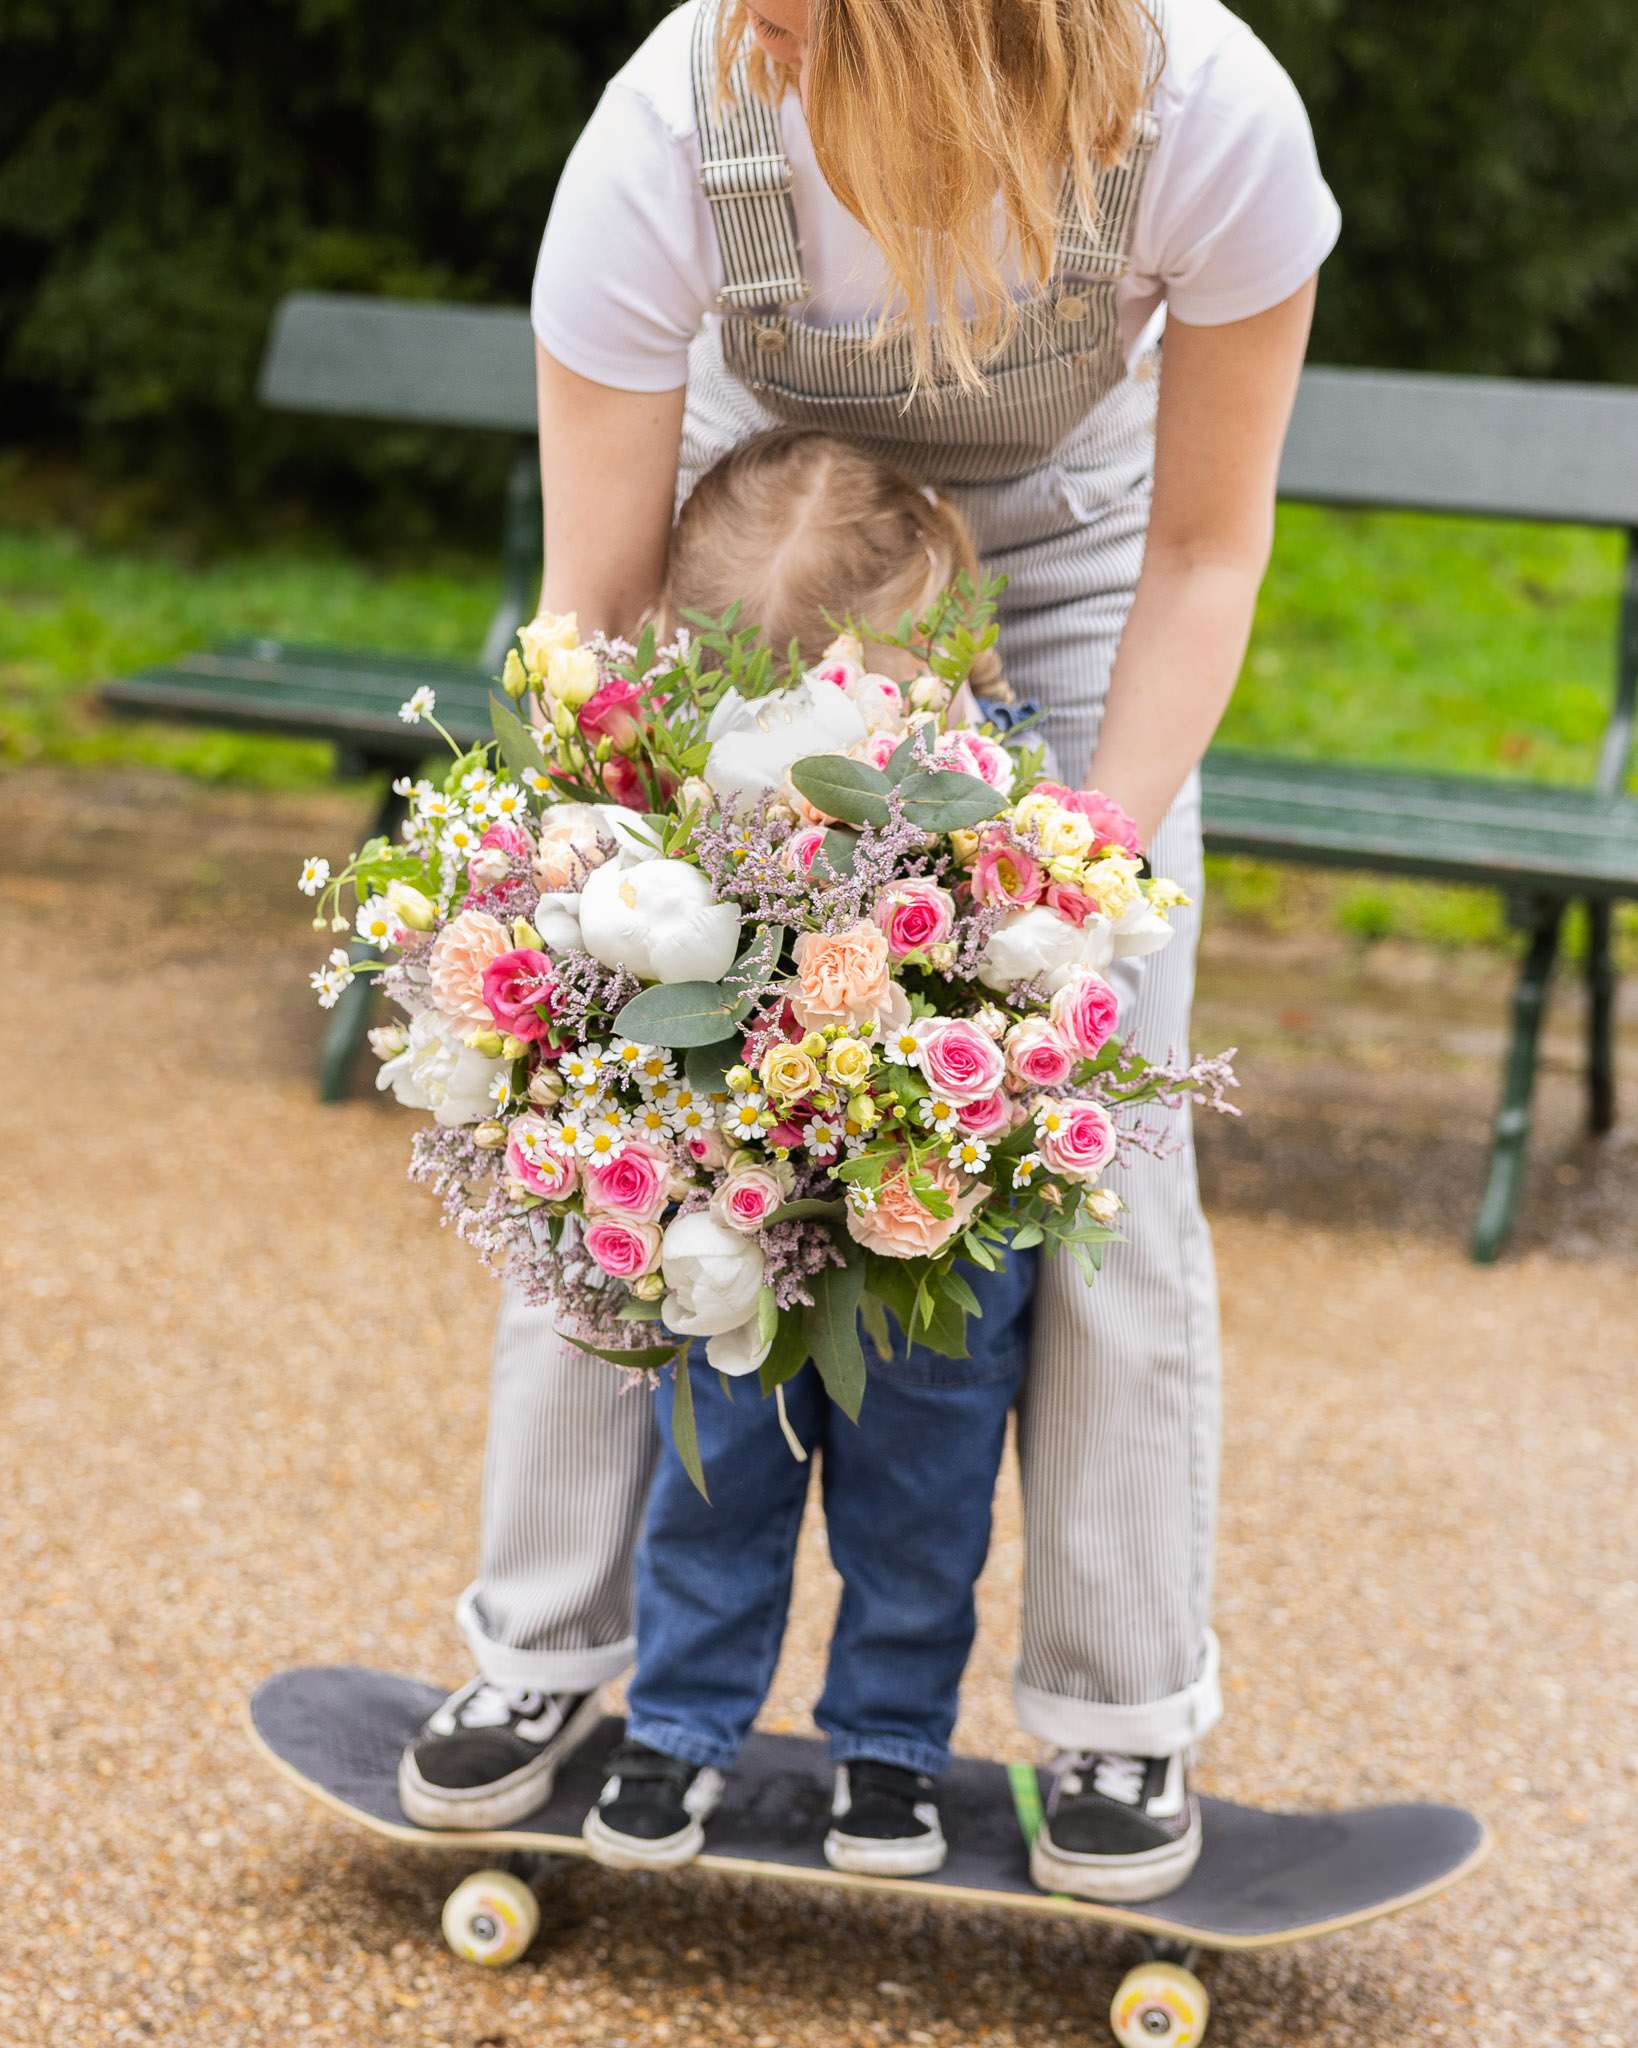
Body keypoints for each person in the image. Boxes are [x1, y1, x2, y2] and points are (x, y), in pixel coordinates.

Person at [400, 0, 1337, 1905]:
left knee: (1111, 1145)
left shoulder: (1209, 117)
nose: (755, 27)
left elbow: (1204, 551)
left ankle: (1115, 1714)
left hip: (1073, 570)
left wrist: (1083, 879)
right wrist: (595, 892)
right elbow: (592, 602)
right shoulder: (673, 122)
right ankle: (543, 1659)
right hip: (770, 554)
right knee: (616, 1111)